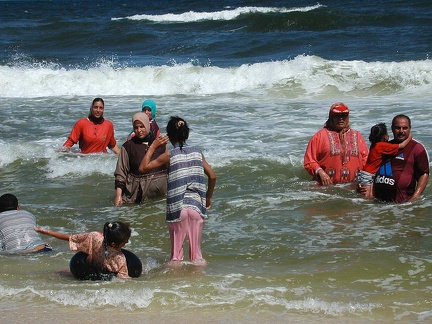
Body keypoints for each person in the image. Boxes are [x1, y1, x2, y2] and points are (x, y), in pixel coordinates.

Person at [139, 116, 216, 265]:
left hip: (177, 209)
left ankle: (175, 285)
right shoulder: (198, 153)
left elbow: (143, 167)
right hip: (196, 207)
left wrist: (153, 146)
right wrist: (208, 197)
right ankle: (198, 284)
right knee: (197, 257)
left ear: (169, 136)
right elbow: (212, 176)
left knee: (175, 258)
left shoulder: (169, 155)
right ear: (186, 134)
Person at [35, 221, 141, 279]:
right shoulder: (119, 258)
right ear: (114, 243)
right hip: (104, 275)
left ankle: (51, 275)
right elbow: (123, 280)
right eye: (125, 241)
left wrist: (47, 232)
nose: (126, 243)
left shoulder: (94, 237)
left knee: (68, 272)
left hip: (91, 267)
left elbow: (70, 238)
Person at [304, 102, 369, 185]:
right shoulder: (319, 136)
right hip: (326, 189)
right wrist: (320, 172)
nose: (340, 118)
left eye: (344, 115)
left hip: (352, 189)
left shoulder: (357, 136)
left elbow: (366, 160)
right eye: (337, 116)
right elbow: (309, 161)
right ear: (331, 117)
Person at [371, 114, 429, 203]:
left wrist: (415, 197)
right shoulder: (385, 147)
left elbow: (424, 174)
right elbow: (372, 168)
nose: (401, 131)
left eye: (405, 128)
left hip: (402, 207)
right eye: (397, 128)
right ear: (392, 128)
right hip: (377, 205)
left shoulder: (417, 148)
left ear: (410, 128)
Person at [114, 112, 167, 206]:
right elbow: (121, 172)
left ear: (147, 125)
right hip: (138, 198)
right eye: (136, 127)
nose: (139, 130)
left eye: (142, 126)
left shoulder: (160, 144)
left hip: (161, 198)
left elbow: (171, 168)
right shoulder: (128, 146)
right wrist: (118, 196)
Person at [358, 123, 412, 199]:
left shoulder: (374, 145)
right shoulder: (381, 146)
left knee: (369, 197)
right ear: (384, 136)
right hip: (368, 175)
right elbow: (402, 145)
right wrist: (410, 136)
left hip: (366, 173)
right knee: (367, 198)